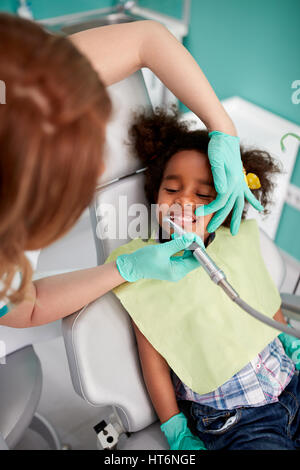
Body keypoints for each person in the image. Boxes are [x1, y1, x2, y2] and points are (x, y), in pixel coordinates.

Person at [0, 12, 258, 329]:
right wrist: (126, 269)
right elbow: (23, 308)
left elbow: (147, 40)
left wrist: (223, 127)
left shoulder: (25, 89)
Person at [105, 105, 300, 450]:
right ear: (154, 194)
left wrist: (289, 343)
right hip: (235, 419)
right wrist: (174, 426)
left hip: (289, 381)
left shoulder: (234, 239)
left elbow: (262, 298)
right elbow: (153, 358)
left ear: (224, 200)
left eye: (204, 195)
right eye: (171, 190)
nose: (184, 201)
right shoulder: (144, 267)